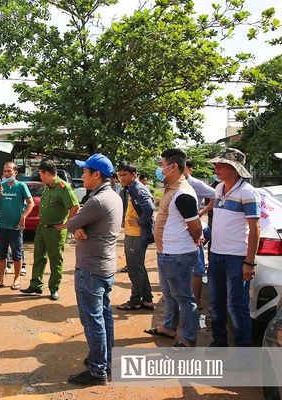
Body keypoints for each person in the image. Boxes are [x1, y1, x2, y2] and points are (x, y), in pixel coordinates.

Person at [65, 153, 122, 386]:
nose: (83, 176)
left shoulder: (97, 201)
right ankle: (104, 361)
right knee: (103, 316)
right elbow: (78, 227)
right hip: (104, 266)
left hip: (91, 268)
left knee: (92, 320)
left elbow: (70, 224)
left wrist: (77, 226)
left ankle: (97, 370)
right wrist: (79, 227)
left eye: (85, 172)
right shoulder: (112, 196)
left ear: (96, 174)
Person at [144, 148, 202, 350]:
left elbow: (195, 227)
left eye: (162, 165)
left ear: (173, 166)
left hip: (178, 255)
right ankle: (169, 327)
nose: (160, 170)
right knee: (169, 294)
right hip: (166, 253)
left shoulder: (183, 193)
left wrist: (196, 238)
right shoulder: (172, 188)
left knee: (184, 298)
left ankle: (188, 339)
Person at [206, 148, 260, 355]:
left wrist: (249, 262)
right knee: (215, 304)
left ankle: (243, 353)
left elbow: (255, 229)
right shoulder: (219, 188)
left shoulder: (247, 192)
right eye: (217, 165)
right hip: (217, 255)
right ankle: (219, 342)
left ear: (235, 169)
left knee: (237, 306)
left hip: (237, 258)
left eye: (221, 165)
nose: (216, 168)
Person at [21, 160, 79, 300]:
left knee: (55, 259)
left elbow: (75, 206)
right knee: (39, 257)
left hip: (55, 229)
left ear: (47, 173)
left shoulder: (63, 187)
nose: (40, 177)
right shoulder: (48, 186)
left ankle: (54, 288)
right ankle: (36, 285)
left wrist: (67, 224)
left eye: (41, 174)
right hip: (42, 228)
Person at [116, 161, 155, 312]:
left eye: (125, 175)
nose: (122, 178)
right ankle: (147, 299)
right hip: (133, 233)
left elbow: (149, 208)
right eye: (120, 175)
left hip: (136, 235)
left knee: (134, 268)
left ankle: (135, 301)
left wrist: (139, 222)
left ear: (133, 175)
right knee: (139, 267)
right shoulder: (131, 188)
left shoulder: (138, 189)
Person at [0, 161, 34, 290]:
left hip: (15, 227)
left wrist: (23, 217)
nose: (6, 173)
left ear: (15, 173)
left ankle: (16, 280)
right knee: (1, 255)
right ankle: (1, 279)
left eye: (9, 171)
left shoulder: (21, 186)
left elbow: (30, 203)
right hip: (2, 226)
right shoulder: (1, 186)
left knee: (16, 255)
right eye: (4, 171)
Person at [183, 157, 216, 309]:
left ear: (189, 169)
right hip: (181, 230)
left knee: (196, 266)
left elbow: (216, 196)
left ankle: (196, 301)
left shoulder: (195, 184)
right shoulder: (173, 183)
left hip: (194, 229)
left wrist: (201, 212)